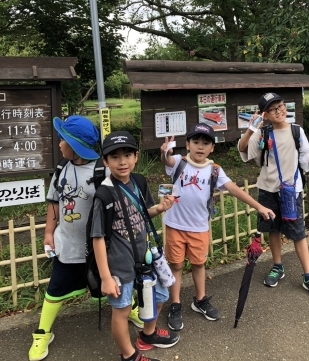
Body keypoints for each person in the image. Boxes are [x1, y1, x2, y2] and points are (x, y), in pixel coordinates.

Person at [160, 123, 275, 331]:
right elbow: (166, 160)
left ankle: (200, 300)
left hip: (199, 227)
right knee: (176, 265)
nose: (200, 147)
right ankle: (175, 304)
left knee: (198, 264)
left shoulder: (215, 170)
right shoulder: (179, 162)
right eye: (196, 142)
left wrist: (259, 206)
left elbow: (234, 190)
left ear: (212, 148)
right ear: (187, 145)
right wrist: (165, 152)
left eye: (205, 143)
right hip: (175, 225)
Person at [90, 131, 179, 361]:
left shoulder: (138, 181)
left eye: (127, 154)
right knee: (122, 311)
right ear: (105, 161)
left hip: (146, 256)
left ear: (136, 156)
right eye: (115, 156)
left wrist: (159, 209)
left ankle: (147, 335)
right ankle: (129, 355)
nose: (122, 161)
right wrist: (106, 277)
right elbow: (97, 237)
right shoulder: (104, 195)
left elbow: (142, 213)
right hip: (119, 264)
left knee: (160, 294)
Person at [238, 92, 309, 302]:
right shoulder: (263, 133)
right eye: (273, 109)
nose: (279, 111)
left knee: (298, 233)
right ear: (266, 114)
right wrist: (253, 127)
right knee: (273, 229)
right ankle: (277, 266)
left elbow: (306, 157)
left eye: (281, 106)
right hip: (268, 189)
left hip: (291, 190)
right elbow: (244, 151)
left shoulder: (296, 131)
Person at [28, 115, 102, 361]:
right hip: (66, 245)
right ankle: (43, 332)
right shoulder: (62, 168)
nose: (59, 143)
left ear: (75, 145)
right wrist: (49, 232)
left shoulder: (102, 172)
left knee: (110, 284)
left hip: (96, 249)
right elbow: (54, 203)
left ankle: (132, 309)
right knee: (55, 289)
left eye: (63, 139)